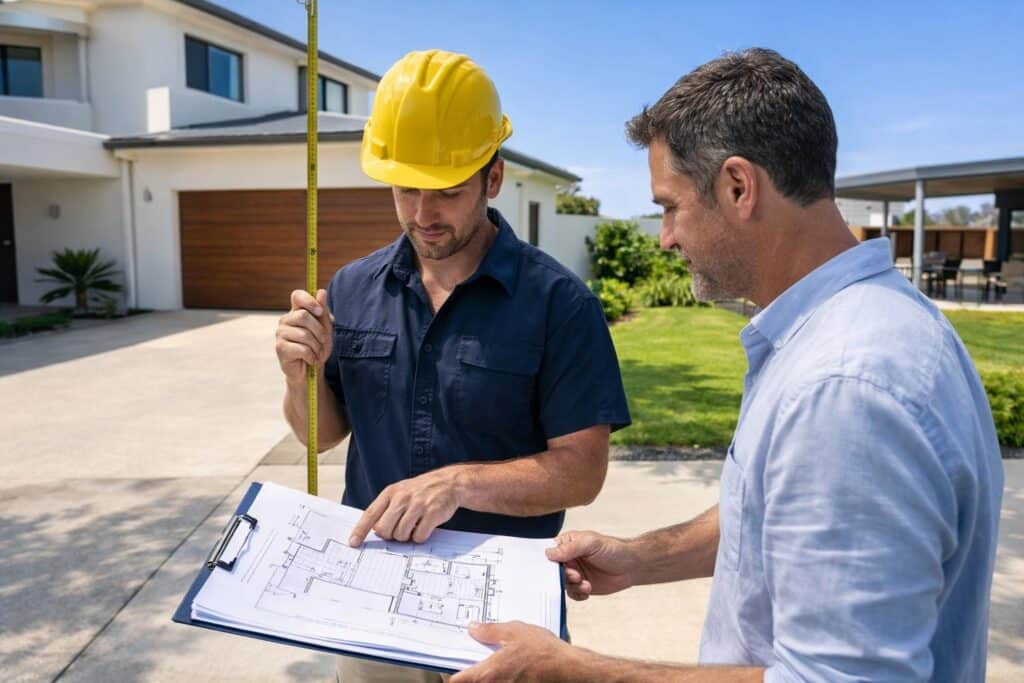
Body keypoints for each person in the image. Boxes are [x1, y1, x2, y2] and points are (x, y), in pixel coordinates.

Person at [453, 47, 1004, 683]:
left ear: (738, 187)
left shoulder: (844, 391)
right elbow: (777, 519)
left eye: (669, 205)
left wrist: (573, 671)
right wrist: (639, 559)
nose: (665, 237)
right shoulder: (863, 328)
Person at [273, 49, 631, 683]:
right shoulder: (353, 287)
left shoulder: (558, 304)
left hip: (502, 612)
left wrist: (459, 483)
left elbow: (582, 472)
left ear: (493, 179)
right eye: (406, 188)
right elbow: (319, 435)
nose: (422, 213)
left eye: (446, 192)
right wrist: (301, 373)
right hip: (370, 598)